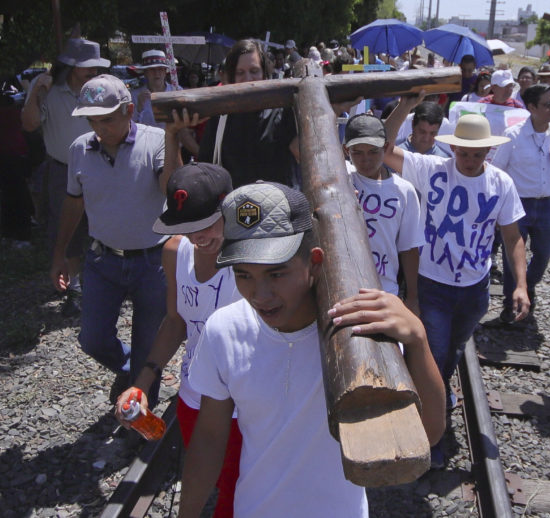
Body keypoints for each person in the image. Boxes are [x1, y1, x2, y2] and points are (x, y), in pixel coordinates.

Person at [179, 182, 445, 517]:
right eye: (243, 275)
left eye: (277, 274)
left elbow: (430, 433)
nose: (260, 294)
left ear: (314, 262)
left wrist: (417, 340)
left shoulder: (359, 334)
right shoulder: (223, 331)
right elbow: (209, 437)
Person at [384, 105, 530, 466]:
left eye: (476, 153)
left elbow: (513, 237)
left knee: (450, 353)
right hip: (432, 284)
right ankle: (430, 437)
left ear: (488, 152)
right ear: (452, 148)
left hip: (475, 288)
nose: (467, 159)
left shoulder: (501, 183)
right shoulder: (431, 169)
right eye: (462, 152)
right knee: (432, 353)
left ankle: (435, 403)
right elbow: (385, 148)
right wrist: (405, 105)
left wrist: (521, 285)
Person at [114, 162, 243, 518]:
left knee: (237, 492)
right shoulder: (174, 252)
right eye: (187, 228)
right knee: (211, 480)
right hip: (193, 396)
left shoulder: (252, 258)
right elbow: (175, 322)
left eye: (206, 225)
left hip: (242, 402)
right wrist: (141, 382)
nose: (197, 237)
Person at [50, 74, 171, 403]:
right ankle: (132, 371)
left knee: (150, 345)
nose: (99, 128)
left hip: (153, 262)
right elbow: (74, 202)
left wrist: (174, 141)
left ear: (129, 110)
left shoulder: (156, 142)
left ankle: (140, 418)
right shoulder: (80, 150)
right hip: (103, 260)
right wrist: (60, 254)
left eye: (106, 119)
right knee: (92, 339)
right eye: (92, 120)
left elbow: (170, 190)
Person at [21, 38, 108, 312]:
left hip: (100, 166)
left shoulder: (97, 90)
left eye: (95, 67)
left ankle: (104, 281)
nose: (93, 72)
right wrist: (36, 92)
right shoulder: (49, 91)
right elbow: (29, 124)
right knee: (66, 229)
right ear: (71, 66)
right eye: (87, 68)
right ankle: (75, 287)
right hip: (63, 168)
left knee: (102, 226)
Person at [491, 84, 550, 323]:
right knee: (513, 255)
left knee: (543, 254)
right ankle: (511, 304)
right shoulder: (513, 135)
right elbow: (497, 172)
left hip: (548, 204)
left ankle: (526, 287)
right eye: (547, 104)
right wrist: (498, 211)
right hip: (518, 204)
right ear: (531, 107)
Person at [343, 113, 424, 309]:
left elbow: (409, 247)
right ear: (346, 151)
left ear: (386, 148)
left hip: (385, 290)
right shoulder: (341, 177)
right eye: (357, 152)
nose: (365, 159)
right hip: (343, 287)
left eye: (373, 151)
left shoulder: (404, 191)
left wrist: (413, 296)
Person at [197, 39, 300, 188]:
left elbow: (300, 153)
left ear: (264, 73)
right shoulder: (220, 118)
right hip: (233, 208)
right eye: (240, 73)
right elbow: (205, 170)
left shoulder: (284, 111)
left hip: (278, 207)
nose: (248, 79)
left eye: (254, 71)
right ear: (232, 77)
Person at [0, 81, 33, 248]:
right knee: (19, 197)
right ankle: (21, 236)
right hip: (6, 160)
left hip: (1, 159)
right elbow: (18, 118)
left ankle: (8, 233)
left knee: (8, 198)